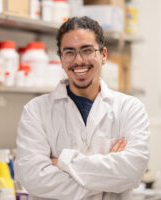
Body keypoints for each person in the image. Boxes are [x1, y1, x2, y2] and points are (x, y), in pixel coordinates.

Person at [14, 16, 150, 200]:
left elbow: (132, 172)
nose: (78, 60)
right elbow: (34, 179)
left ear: (103, 55)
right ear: (61, 59)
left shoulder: (129, 108)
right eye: (69, 52)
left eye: (87, 50)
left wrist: (63, 161)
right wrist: (107, 181)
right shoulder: (36, 111)